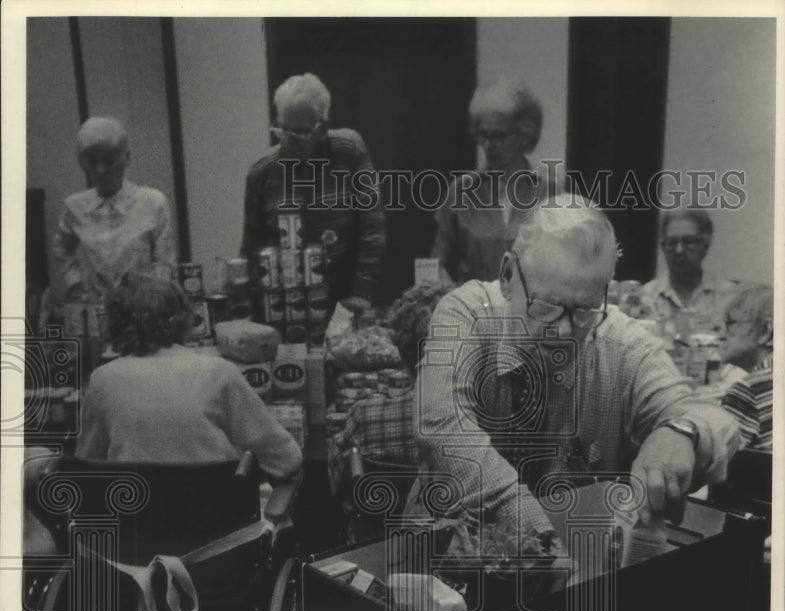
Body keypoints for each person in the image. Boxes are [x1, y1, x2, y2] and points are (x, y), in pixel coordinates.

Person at [408, 198, 741, 552]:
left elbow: (717, 421)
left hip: (576, 573)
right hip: (440, 566)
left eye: (584, 310)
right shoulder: (465, 312)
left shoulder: (622, 342)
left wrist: (682, 432)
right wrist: (539, 534)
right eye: (547, 307)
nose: (564, 332)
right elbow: (442, 422)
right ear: (507, 277)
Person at [76, 273, 302, 480]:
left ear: (113, 324)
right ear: (182, 317)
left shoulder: (102, 381)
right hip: (221, 520)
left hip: (138, 520)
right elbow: (287, 460)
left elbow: (87, 469)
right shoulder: (218, 372)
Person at [241, 73, 386, 314]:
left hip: (345, 301)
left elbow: (373, 226)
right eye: (281, 130)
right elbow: (250, 248)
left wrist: (362, 291)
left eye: (298, 133)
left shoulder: (349, 150)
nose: (288, 142)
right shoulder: (261, 171)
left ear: (323, 128)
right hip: (285, 306)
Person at [432, 78, 562, 284]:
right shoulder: (461, 190)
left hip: (530, 311)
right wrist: (453, 298)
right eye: (483, 135)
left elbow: (568, 264)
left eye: (499, 136)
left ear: (525, 135)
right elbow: (436, 264)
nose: (488, 145)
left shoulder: (551, 191)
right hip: (474, 310)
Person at [327, 281, 453, 493]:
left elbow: (337, 482)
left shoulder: (365, 418)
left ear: (402, 357)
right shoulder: (486, 420)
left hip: (381, 524)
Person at [52, 117, 175, 307]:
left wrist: (156, 300)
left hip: (143, 312)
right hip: (95, 313)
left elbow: (165, 262)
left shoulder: (152, 202)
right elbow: (61, 250)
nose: (101, 170)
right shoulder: (74, 207)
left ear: (127, 158)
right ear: (81, 163)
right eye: (92, 162)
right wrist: (75, 284)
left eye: (109, 161)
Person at [640, 208, 739, 329]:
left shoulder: (730, 296)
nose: (679, 250)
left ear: (705, 245)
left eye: (689, 242)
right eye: (672, 242)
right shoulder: (646, 297)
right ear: (663, 246)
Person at [717, 285, 774, 450]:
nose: (721, 333)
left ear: (766, 332)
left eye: (730, 322)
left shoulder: (749, 390)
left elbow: (717, 460)